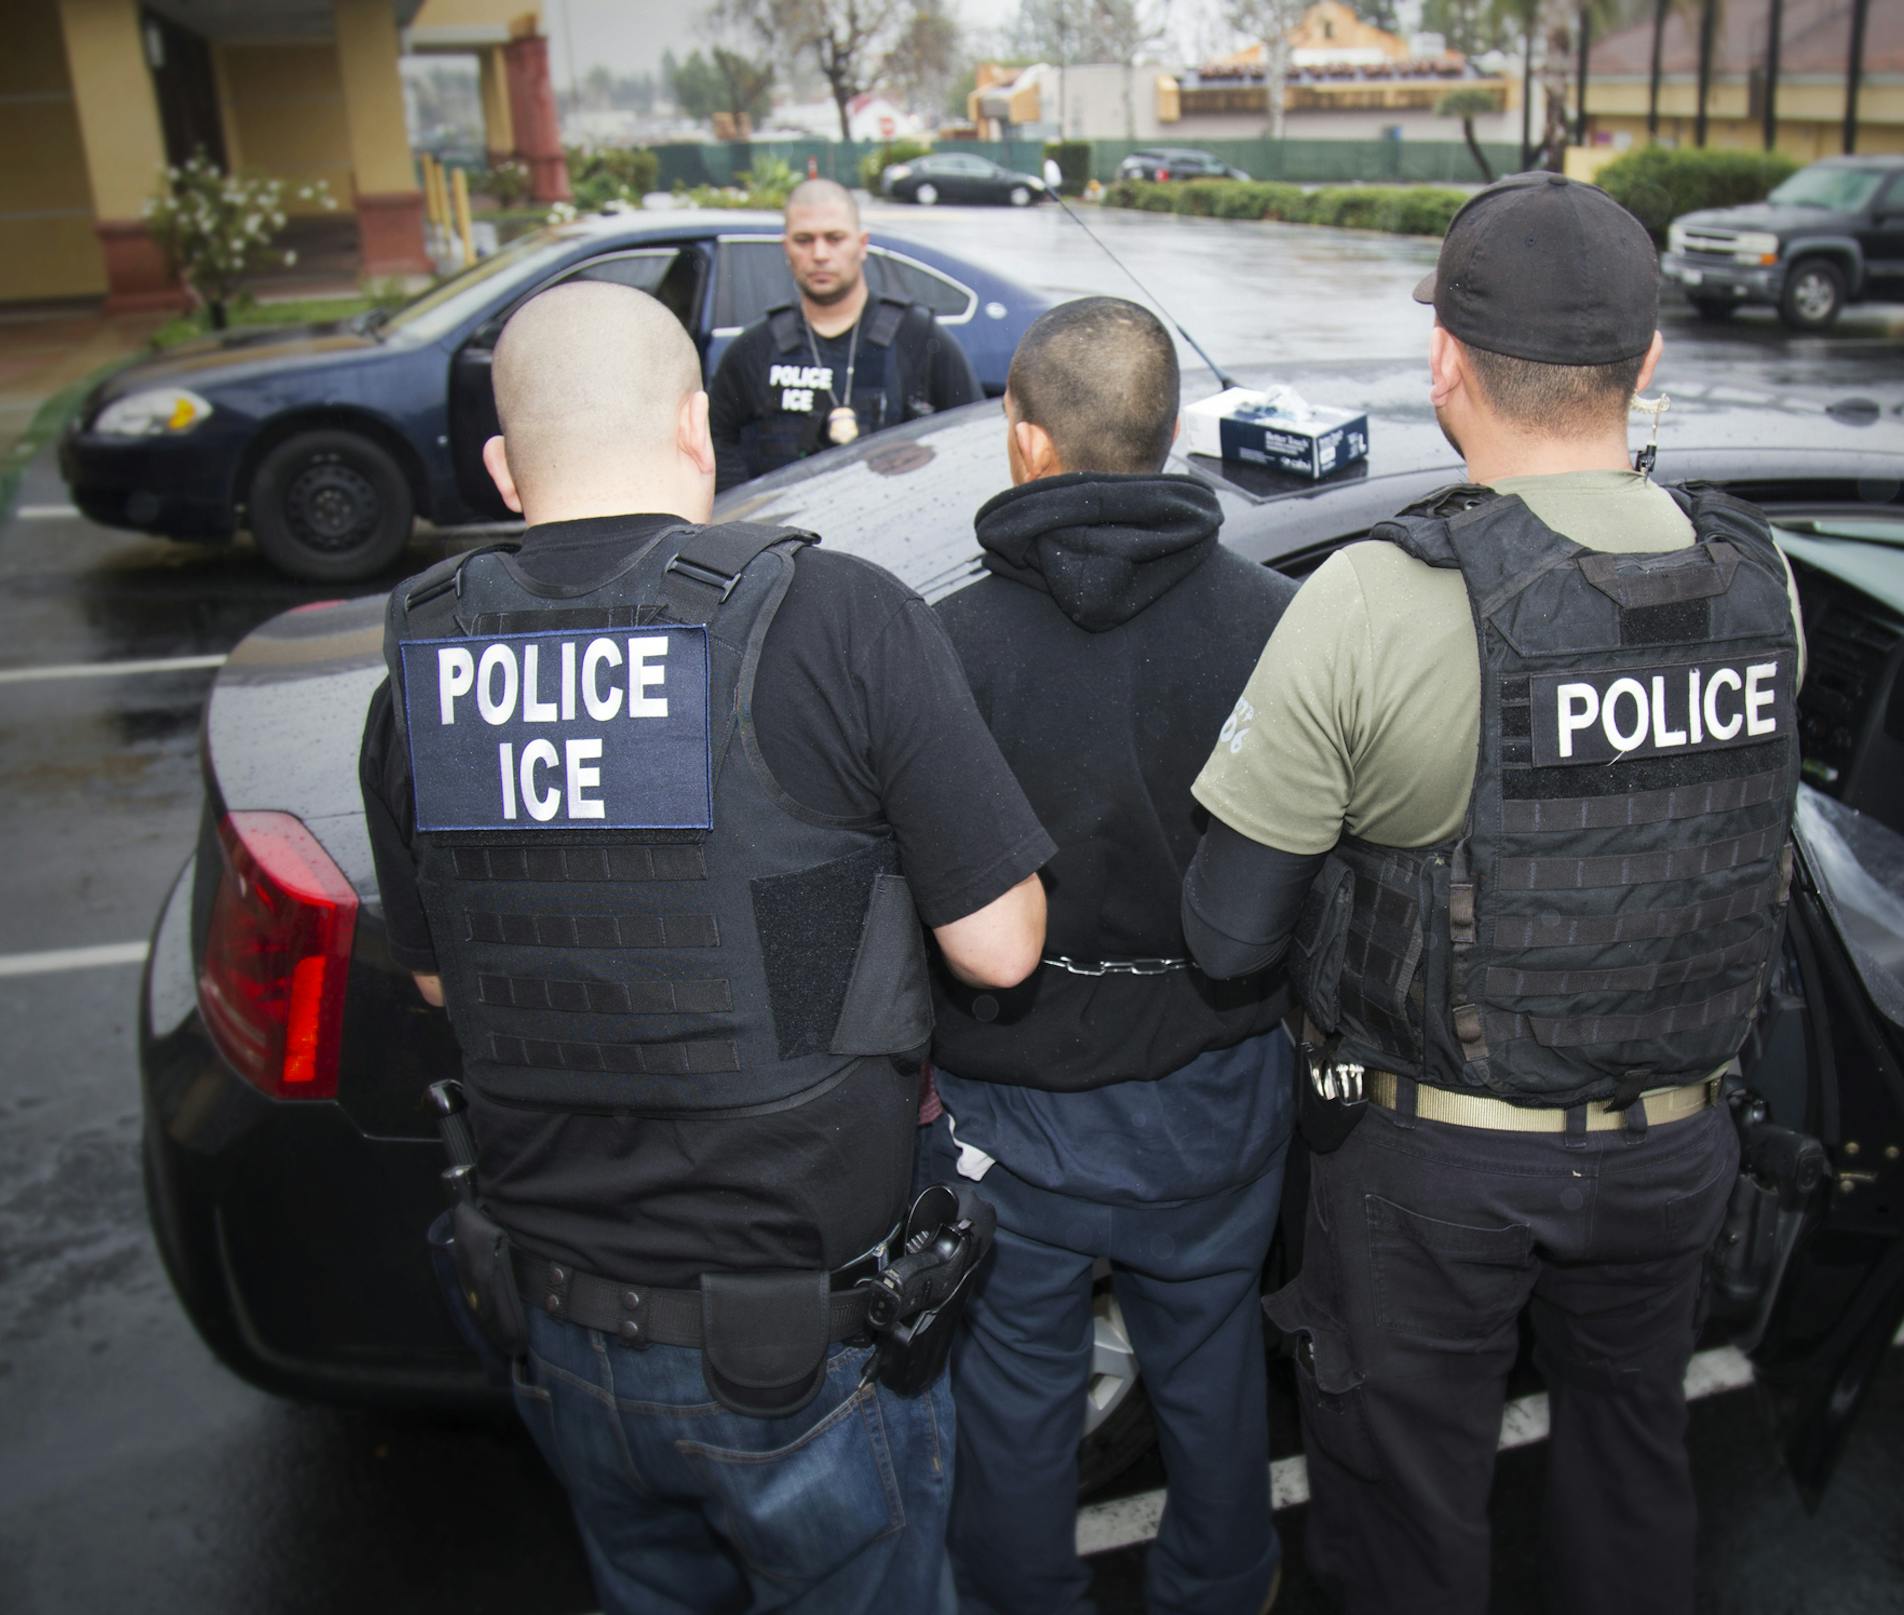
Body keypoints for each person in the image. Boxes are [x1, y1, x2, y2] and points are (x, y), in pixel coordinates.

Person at [358, 279, 1054, 1615]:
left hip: (560, 1323)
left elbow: (449, 980)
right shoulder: (835, 619)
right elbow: (1004, 945)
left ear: (504, 468)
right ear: (699, 427)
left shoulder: (427, 672)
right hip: (795, 1344)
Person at [1180, 172, 1808, 1615]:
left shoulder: (1374, 596)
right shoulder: (1760, 578)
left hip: (1436, 1174)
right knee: (1635, 1457)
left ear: (1444, 361)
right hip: (1678, 1144)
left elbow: (1226, 930)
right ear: (1647, 364)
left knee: (1406, 1509)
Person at [918, 297, 1299, 1615]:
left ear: (1025, 444)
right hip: (1214, 1080)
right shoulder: (1279, 623)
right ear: (1169, 433)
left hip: (1005, 1102)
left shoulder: (940, 648)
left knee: (1015, 1389)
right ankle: (1224, 1584)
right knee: (1208, 1359)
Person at [710, 178, 982, 490]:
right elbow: (717, 446)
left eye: (835, 238)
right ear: (786, 249)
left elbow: (968, 440)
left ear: (862, 244)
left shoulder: (919, 338)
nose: (820, 254)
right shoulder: (753, 350)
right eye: (804, 240)